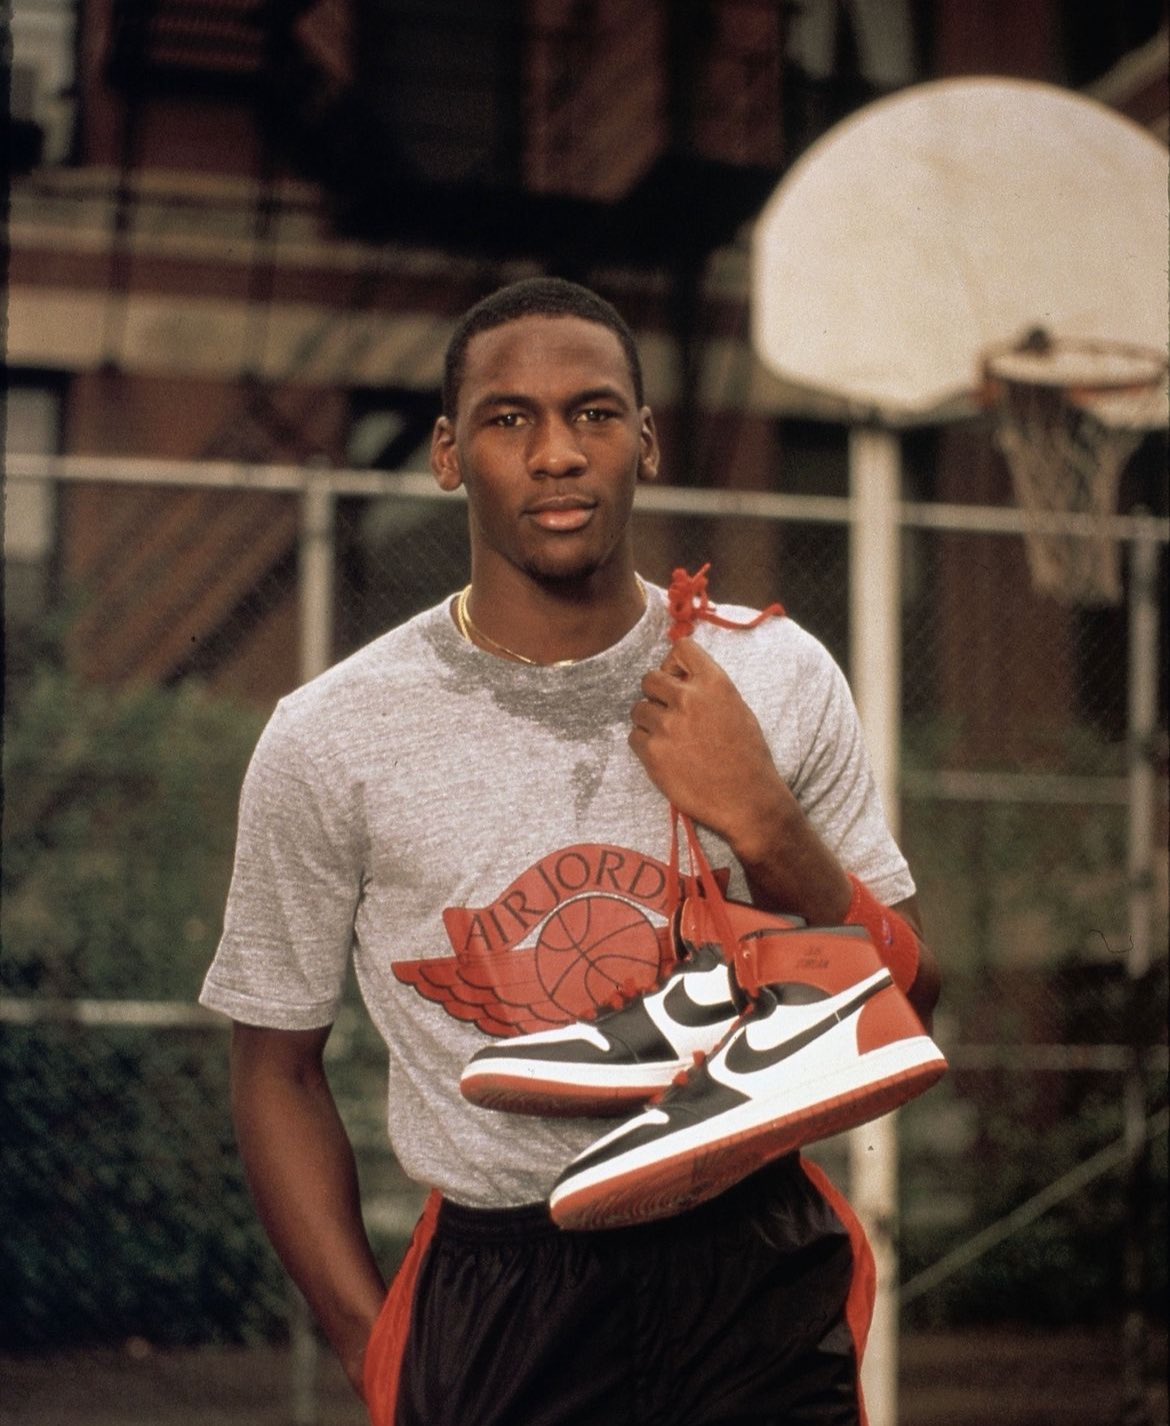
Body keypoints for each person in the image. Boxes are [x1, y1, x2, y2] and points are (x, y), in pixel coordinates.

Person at [200, 276, 940, 1426]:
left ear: (644, 440)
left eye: (593, 413)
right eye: (510, 419)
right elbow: (276, 1068)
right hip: (503, 1277)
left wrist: (764, 821)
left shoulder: (777, 676)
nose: (556, 453)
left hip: (743, 1255)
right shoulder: (331, 733)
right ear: (448, 454)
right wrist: (369, 1341)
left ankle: (703, 1010)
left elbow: (910, 998)